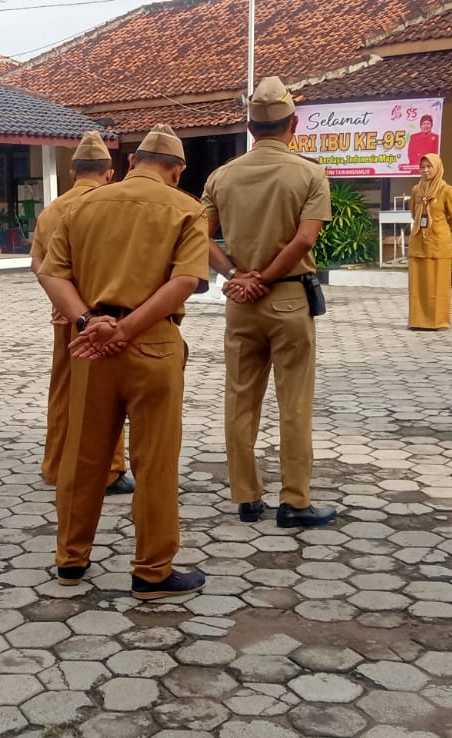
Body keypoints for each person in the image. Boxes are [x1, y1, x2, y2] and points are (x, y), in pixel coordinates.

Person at [39, 123, 209, 600]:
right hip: (153, 344)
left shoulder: (81, 206)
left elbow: (51, 274)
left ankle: (70, 560)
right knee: (154, 463)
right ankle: (151, 572)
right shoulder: (187, 209)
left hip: (90, 346)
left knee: (82, 457)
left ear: (131, 163)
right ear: (177, 171)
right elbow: (185, 283)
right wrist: (127, 329)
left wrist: (87, 321)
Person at [203, 77, 337, 529]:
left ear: (249, 127)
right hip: (289, 300)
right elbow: (304, 239)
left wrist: (236, 275)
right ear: (293, 124)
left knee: (240, 401)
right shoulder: (310, 174)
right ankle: (294, 500)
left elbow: (198, 236)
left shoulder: (222, 176)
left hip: (241, 303)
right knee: (294, 403)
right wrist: (266, 278)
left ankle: (247, 497)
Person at [32, 131, 134, 496]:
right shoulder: (114, 205)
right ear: (109, 173)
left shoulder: (51, 211)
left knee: (62, 388)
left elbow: (38, 264)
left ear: (73, 173)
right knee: (106, 392)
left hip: (65, 315)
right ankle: (109, 470)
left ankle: (56, 464)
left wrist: (61, 303)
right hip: (102, 317)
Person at [407, 153, 452, 330]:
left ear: (437, 167)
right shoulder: (416, 190)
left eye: (429, 166)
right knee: (418, 284)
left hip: (439, 243)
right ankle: (417, 321)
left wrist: (441, 230)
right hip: (418, 241)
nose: (425, 170)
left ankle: (438, 321)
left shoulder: (447, 190)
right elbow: (413, 213)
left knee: (438, 284)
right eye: (422, 167)